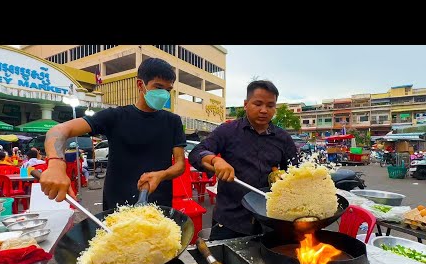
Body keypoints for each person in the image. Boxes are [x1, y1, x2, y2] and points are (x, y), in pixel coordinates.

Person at [40, 57, 186, 209]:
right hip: (117, 205)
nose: (164, 94)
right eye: (158, 87)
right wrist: (56, 164)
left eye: (168, 90)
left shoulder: (173, 121)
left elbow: (180, 164)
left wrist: (161, 175)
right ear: (140, 85)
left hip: (159, 204)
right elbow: (58, 130)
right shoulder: (115, 116)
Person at [189, 80, 299, 240]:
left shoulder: (283, 138)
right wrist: (215, 161)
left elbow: (295, 171)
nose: (264, 110)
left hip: (270, 221)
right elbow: (196, 153)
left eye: (270, 105)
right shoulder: (227, 131)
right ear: (246, 104)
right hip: (230, 220)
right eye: (258, 104)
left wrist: (286, 179)